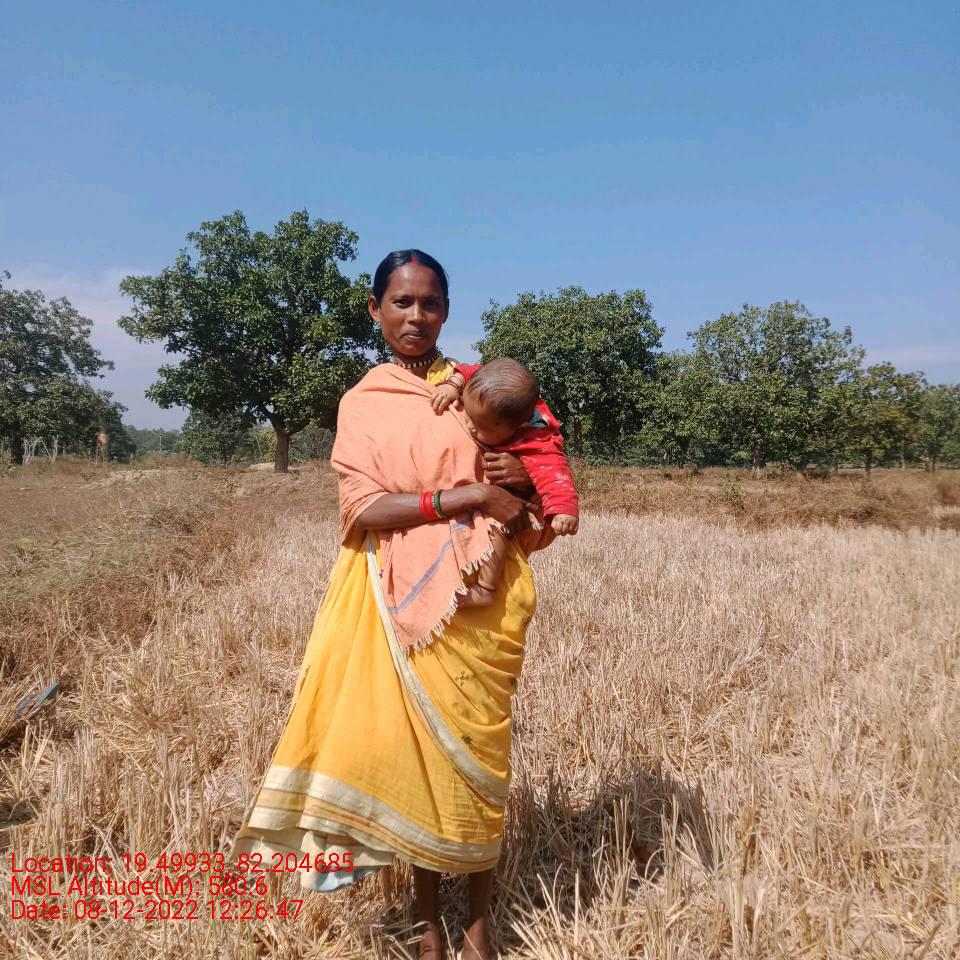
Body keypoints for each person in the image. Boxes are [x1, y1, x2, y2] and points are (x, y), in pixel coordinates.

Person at [231, 249, 557, 960]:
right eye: (402, 302)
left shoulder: (484, 388)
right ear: (374, 309)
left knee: (477, 765)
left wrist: (521, 480)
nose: (416, 316)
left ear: (447, 310)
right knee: (415, 764)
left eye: (429, 303)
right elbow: (364, 509)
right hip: (400, 598)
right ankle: (428, 922)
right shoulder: (365, 401)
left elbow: (544, 482)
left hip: (484, 605)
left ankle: (479, 926)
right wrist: (467, 495)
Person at [431, 357, 580, 607]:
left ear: (518, 427)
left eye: (480, 426)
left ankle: (485, 588)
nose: (469, 425)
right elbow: (471, 371)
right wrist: (453, 384)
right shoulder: (487, 390)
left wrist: (564, 509)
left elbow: (556, 474)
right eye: (468, 415)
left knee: (496, 529)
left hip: (505, 504)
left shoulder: (537, 439)